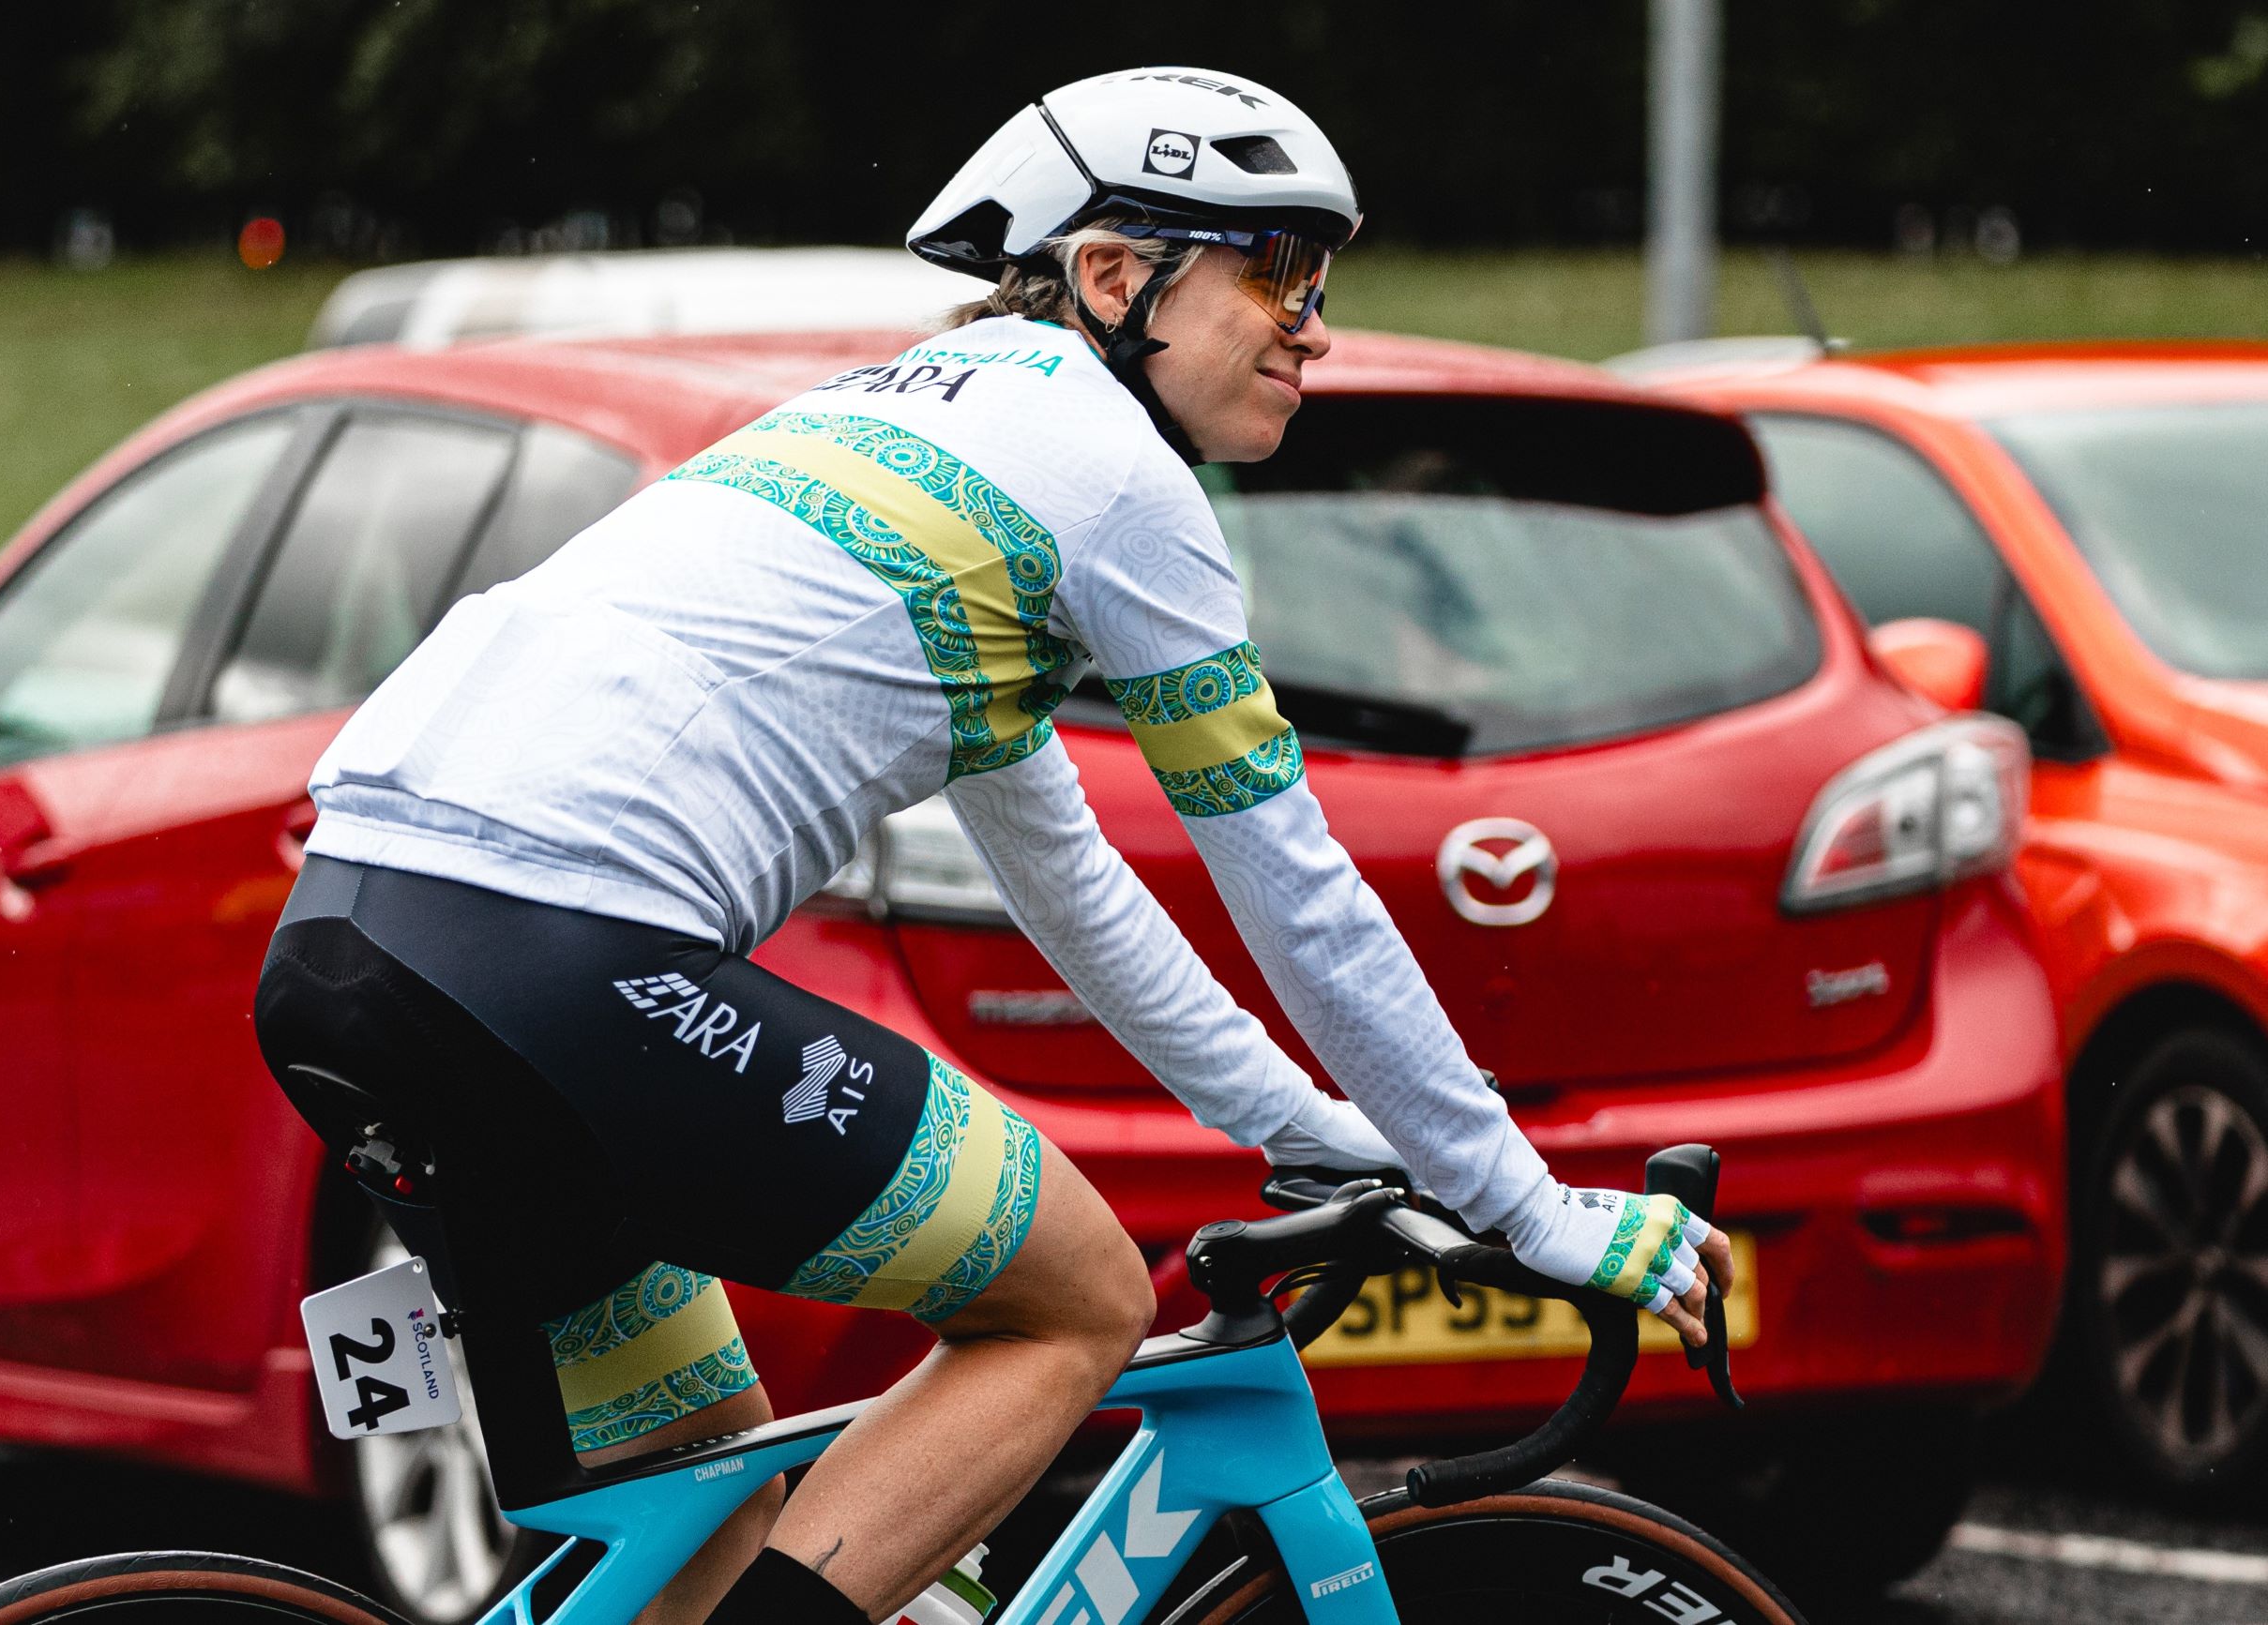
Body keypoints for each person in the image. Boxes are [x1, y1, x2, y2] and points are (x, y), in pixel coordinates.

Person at [253, 66, 1732, 1625]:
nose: (1316, 325)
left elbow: (1078, 892)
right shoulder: (1111, 473)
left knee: (702, 1540)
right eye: (1277, 271)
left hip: (354, 952)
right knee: (1077, 1301)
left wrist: (1307, 1124)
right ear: (1113, 277)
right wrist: (1522, 1200)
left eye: (1324, 280)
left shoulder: (912, 428)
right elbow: (1298, 891)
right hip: (554, 959)